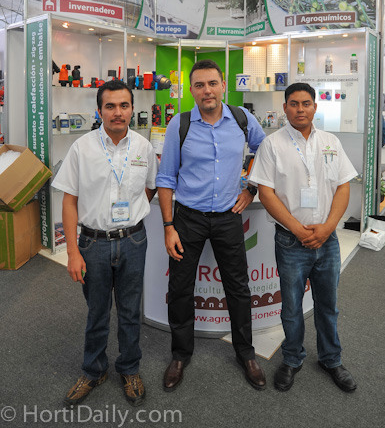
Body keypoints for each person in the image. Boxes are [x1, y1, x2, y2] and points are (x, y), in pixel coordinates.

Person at [156, 59, 266, 392]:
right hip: (187, 218)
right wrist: (168, 225)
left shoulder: (243, 120)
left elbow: (266, 152)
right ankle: (180, 355)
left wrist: (251, 188)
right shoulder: (179, 124)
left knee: (238, 288)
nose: (207, 90)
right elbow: (166, 177)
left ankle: (246, 354)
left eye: (213, 83)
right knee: (180, 288)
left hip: (228, 218)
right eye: (200, 85)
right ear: (191, 90)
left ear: (223, 86)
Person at [52, 80, 157, 407]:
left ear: (132, 109)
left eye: (124, 105)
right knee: (97, 311)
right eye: (110, 106)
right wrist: (72, 252)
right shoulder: (81, 148)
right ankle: (93, 370)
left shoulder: (143, 147)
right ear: (99, 110)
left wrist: (132, 214)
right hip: (93, 244)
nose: (117, 112)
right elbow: (69, 202)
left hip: (133, 240)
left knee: (130, 310)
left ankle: (129, 368)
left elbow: (149, 188)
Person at [249, 82, 358, 394]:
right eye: (294, 104)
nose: (300, 109)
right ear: (285, 108)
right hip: (290, 242)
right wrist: (298, 229)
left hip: (328, 240)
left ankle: (331, 359)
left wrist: (328, 227)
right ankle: (292, 358)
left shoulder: (330, 142)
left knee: (328, 305)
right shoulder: (272, 144)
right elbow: (266, 193)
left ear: (315, 107)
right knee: (292, 308)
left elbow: (343, 186)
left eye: (306, 103)